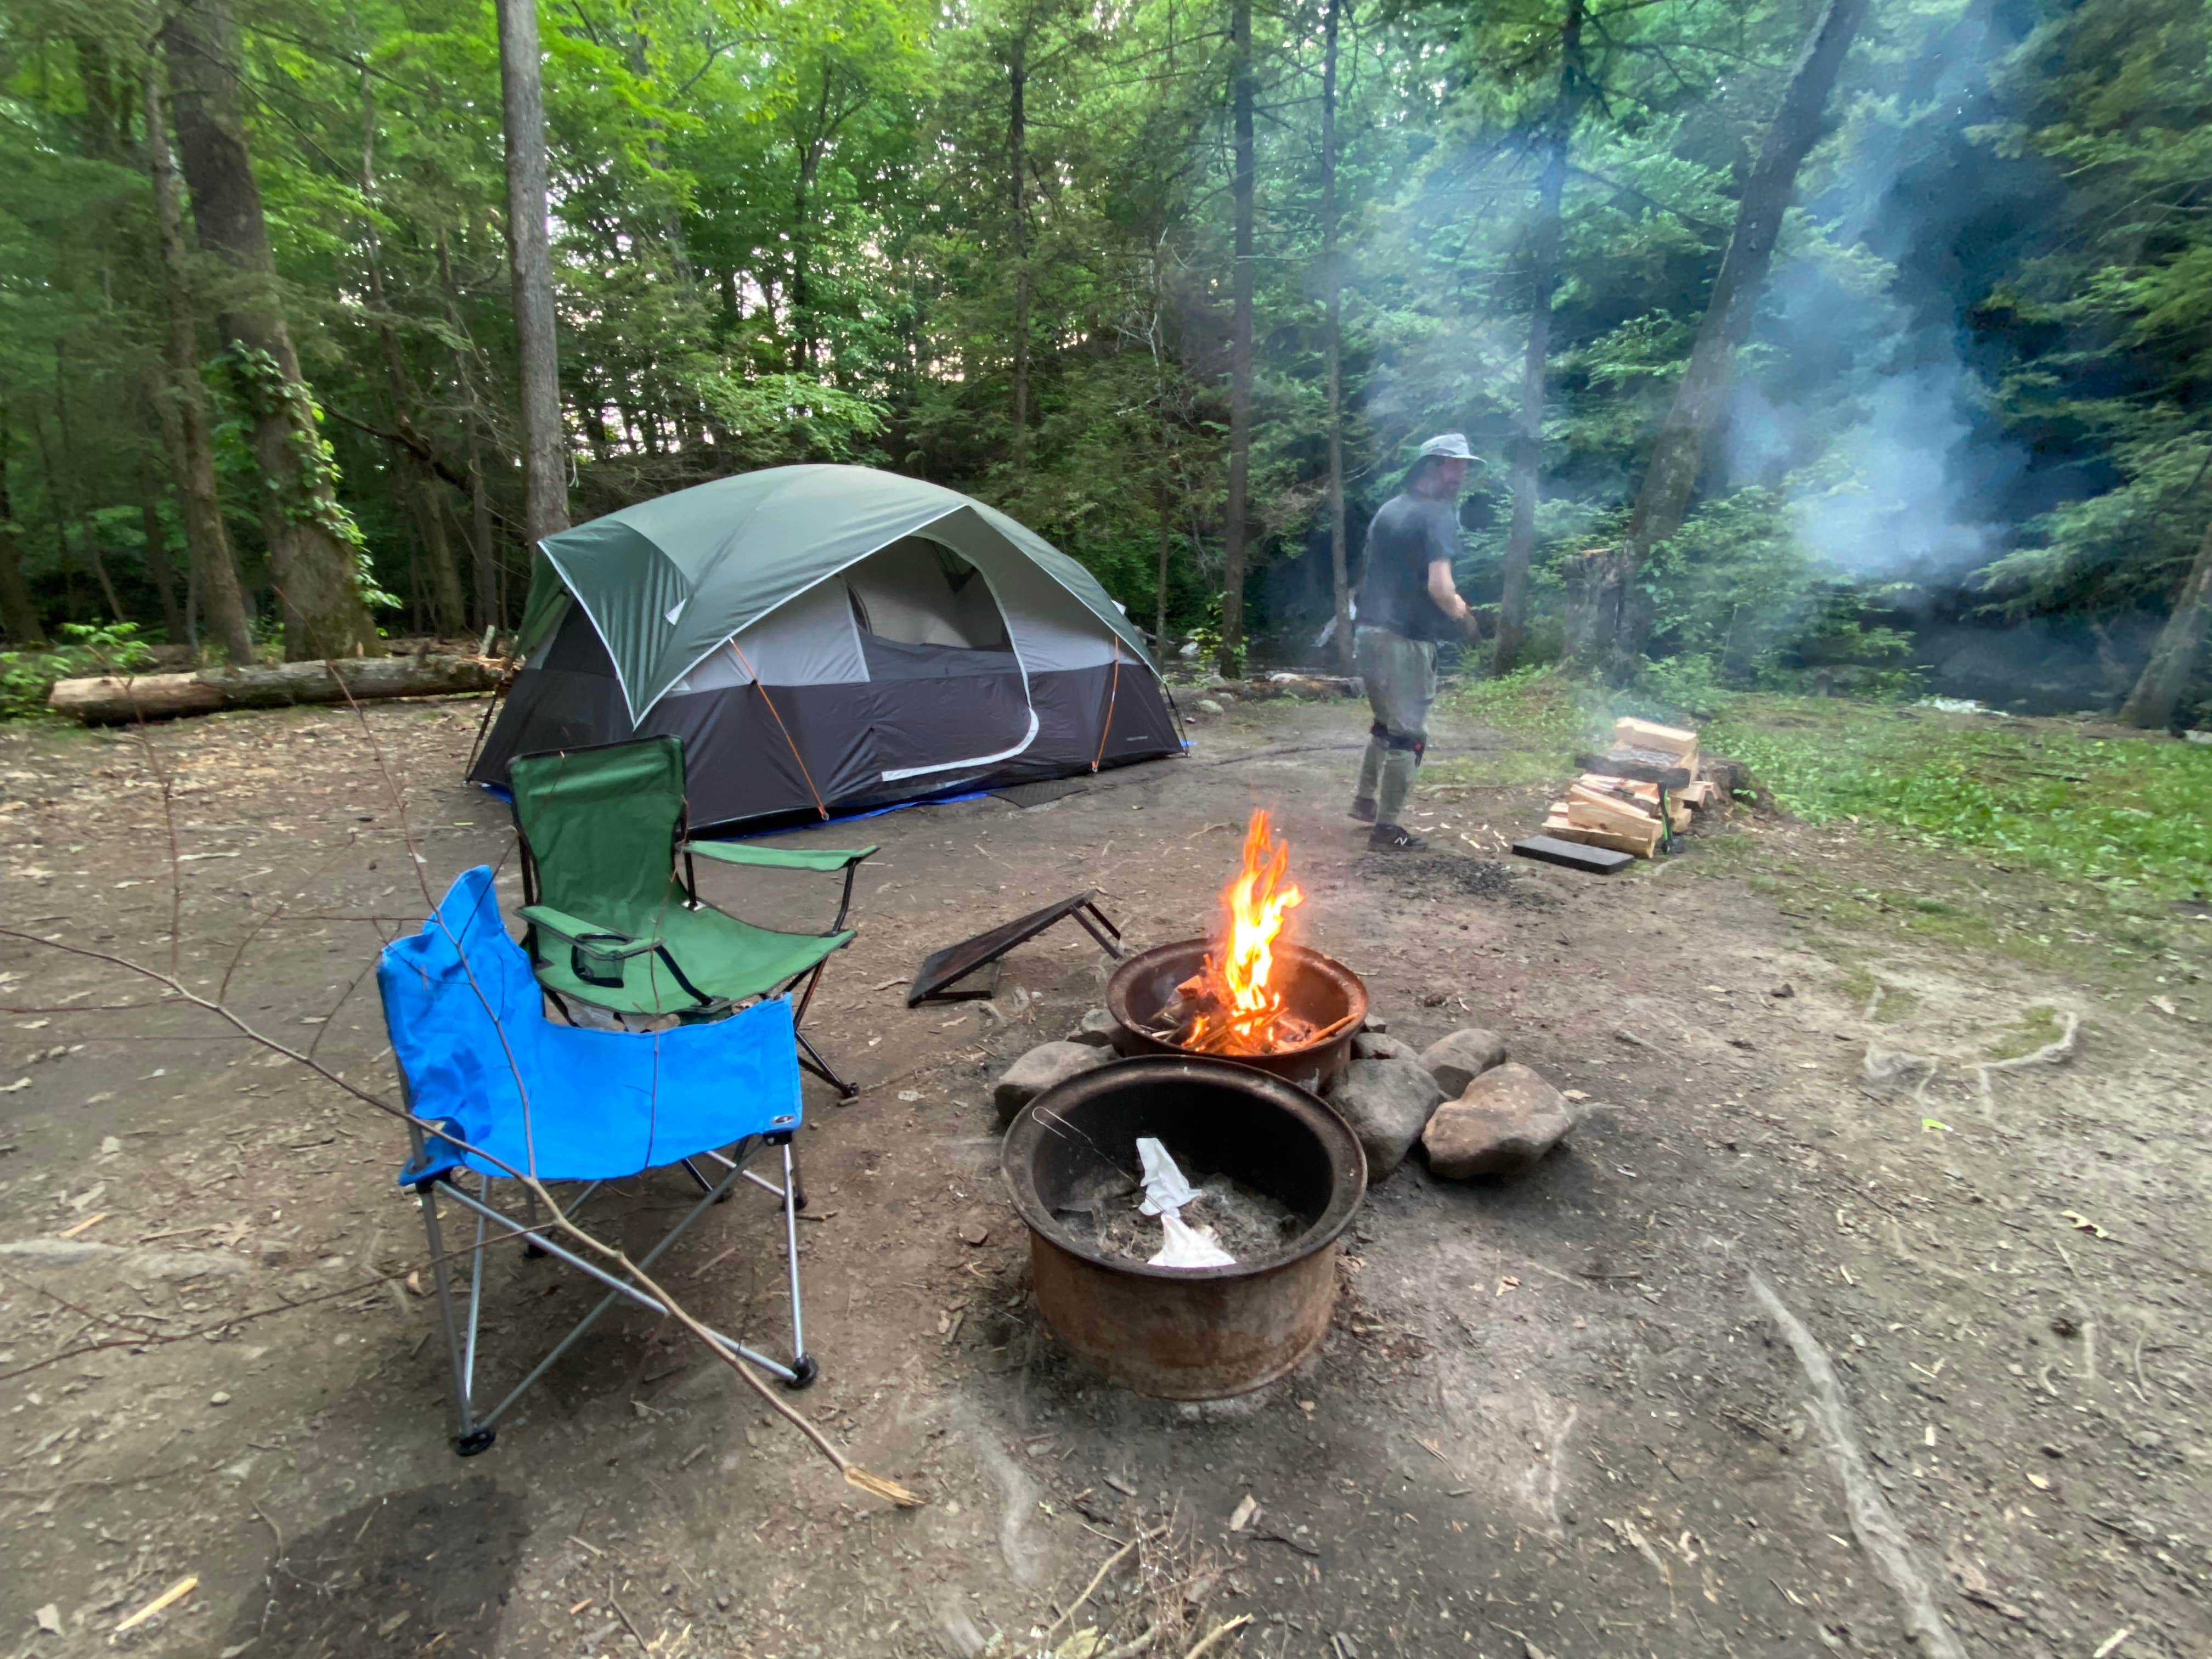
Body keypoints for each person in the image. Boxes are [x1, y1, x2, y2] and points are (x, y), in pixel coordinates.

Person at [1348, 432, 1480, 850]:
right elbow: (1440, 587)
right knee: (1410, 734)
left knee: (1386, 725)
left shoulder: (1388, 510)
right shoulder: (1438, 515)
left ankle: (1365, 802)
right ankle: (1386, 830)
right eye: (1455, 465)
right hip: (1406, 639)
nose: (1463, 473)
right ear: (1432, 466)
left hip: (1368, 632)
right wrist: (1463, 615)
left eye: (1464, 465)